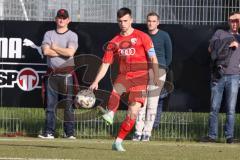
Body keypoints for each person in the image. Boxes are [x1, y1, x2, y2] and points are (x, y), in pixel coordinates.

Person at [89, 7, 160, 151]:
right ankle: (110, 113)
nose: (123, 23)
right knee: (117, 89)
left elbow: (152, 57)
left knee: (133, 112)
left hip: (141, 78)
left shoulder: (143, 37)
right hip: (124, 75)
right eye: (120, 21)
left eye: (125, 20)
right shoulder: (114, 42)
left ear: (131, 20)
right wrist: (96, 81)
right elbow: (105, 64)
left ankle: (118, 141)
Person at [38, 9, 78, 139]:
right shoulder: (49, 34)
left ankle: (69, 133)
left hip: (67, 76)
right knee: (50, 106)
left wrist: (54, 47)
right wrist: (62, 51)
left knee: (68, 106)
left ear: (68, 20)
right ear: (56, 19)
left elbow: (70, 53)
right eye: (59, 17)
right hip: (52, 75)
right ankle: (49, 132)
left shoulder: (72, 35)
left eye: (64, 17)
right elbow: (46, 52)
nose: (61, 20)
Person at [201, 12, 240, 144]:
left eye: (237, 21)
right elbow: (210, 48)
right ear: (228, 21)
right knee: (214, 107)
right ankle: (212, 136)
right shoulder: (220, 33)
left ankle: (229, 137)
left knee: (231, 109)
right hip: (218, 75)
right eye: (232, 20)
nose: (234, 23)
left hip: (235, 76)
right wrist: (228, 43)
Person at [133, 12, 172, 141]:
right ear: (146, 22)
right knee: (140, 103)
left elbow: (169, 56)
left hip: (159, 71)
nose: (151, 23)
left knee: (152, 103)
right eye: (149, 21)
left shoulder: (165, 36)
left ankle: (147, 133)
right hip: (142, 72)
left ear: (158, 22)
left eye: (154, 21)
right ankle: (138, 131)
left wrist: (161, 70)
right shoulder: (142, 36)